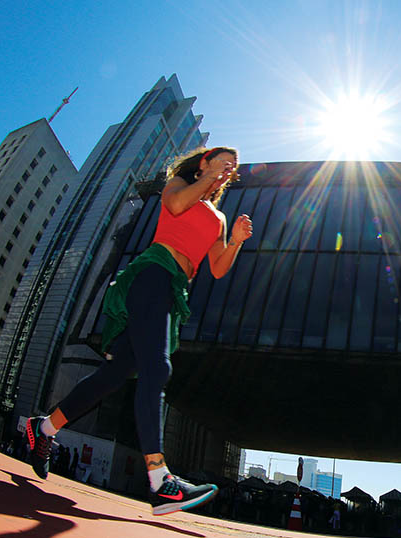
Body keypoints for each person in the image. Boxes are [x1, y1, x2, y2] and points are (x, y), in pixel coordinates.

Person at [24, 146, 253, 516]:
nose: (230, 169)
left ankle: (45, 428)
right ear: (205, 162)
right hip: (153, 273)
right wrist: (209, 179)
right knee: (157, 368)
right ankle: (160, 481)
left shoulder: (219, 218)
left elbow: (218, 267)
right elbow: (176, 207)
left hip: (175, 286)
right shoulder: (180, 184)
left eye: (234, 167)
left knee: (113, 376)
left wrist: (237, 241)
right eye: (223, 161)